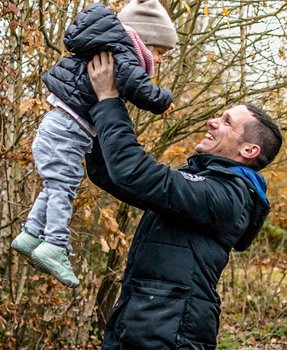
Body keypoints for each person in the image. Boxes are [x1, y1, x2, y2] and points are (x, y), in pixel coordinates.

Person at [85, 52, 282, 350]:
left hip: (170, 336)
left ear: (249, 150)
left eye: (226, 121)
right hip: (140, 325)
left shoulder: (230, 197)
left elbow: (133, 173)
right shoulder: (204, 185)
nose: (212, 121)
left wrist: (108, 100)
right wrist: (91, 106)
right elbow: (110, 174)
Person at [11, 0, 177, 288]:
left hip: (60, 129)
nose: (160, 60)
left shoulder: (110, 48)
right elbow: (138, 87)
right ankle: (54, 244)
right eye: (160, 52)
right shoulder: (123, 52)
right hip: (64, 131)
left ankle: (31, 235)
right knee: (63, 188)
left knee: (57, 185)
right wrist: (163, 99)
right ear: (143, 39)